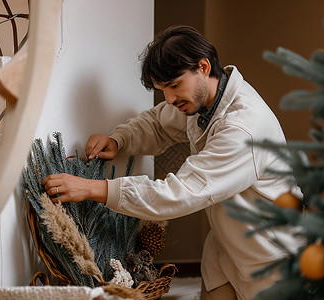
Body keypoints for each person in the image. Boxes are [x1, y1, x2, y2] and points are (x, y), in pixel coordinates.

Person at [43, 25, 301, 300]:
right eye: (162, 89)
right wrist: (119, 140)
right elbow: (157, 124)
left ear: (203, 67)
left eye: (175, 85)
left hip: (269, 257)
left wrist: (93, 189)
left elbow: (180, 193)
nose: (169, 99)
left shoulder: (243, 128)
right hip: (225, 248)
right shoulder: (201, 101)